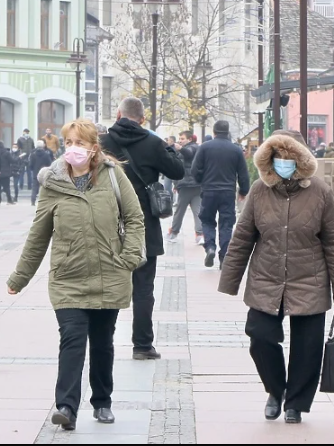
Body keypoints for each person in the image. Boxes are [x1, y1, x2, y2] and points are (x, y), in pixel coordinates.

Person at [7, 118, 145, 430]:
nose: (73, 149)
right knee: (71, 338)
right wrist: (20, 277)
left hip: (110, 273)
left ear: (94, 148)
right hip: (68, 277)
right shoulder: (53, 184)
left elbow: (135, 218)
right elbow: (39, 234)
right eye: (68, 143)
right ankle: (66, 407)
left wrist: (129, 256)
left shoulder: (113, 177)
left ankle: (102, 401)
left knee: (102, 341)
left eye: (79, 143)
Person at [217, 130, 334, 425]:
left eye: (289, 158)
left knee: (307, 348)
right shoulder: (259, 190)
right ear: (270, 159)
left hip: (309, 280)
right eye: (278, 158)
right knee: (260, 338)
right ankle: (276, 390)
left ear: (300, 159)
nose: (283, 163)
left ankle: (296, 403)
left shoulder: (320, 192)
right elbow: (242, 238)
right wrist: (229, 281)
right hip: (267, 279)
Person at [100, 97, 185, 361]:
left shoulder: (102, 143)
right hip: (144, 225)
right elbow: (178, 171)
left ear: (118, 114)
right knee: (144, 288)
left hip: (108, 223)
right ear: (143, 118)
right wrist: (169, 148)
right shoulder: (152, 142)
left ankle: (104, 343)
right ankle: (142, 345)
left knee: (107, 285)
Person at [191, 121, 250, 269]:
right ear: (227, 131)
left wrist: (201, 181)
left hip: (209, 190)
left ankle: (210, 247)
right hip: (227, 192)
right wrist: (243, 191)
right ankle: (224, 256)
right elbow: (243, 173)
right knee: (226, 224)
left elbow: (195, 169)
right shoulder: (236, 150)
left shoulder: (204, 147)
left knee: (207, 220)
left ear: (214, 131)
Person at [167, 131, 204, 245]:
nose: (180, 140)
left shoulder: (192, 148)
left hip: (187, 185)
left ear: (189, 139)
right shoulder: (195, 148)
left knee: (180, 211)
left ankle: (173, 233)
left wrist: (180, 148)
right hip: (196, 185)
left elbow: (188, 154)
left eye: (182, 138)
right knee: (197, 211)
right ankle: (200, 235)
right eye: (179, 138)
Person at [29, 140, 55, 206]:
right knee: (44, 187)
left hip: (35, 172)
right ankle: (44, 201)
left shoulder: (33, 154)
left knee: (34, 187)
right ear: (43, 145)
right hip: (44, 173)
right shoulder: (46, 154)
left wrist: (33, 169)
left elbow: (30, 164)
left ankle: (33, 200)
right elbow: (49, 164)